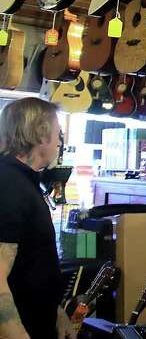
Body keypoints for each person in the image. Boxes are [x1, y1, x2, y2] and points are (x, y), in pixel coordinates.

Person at [0, 98, 73, 339]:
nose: (60, 142)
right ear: (41, 135)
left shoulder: (25, 182)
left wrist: (56, 313)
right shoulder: (9, 184)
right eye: (58, 134)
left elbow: (32, 263)